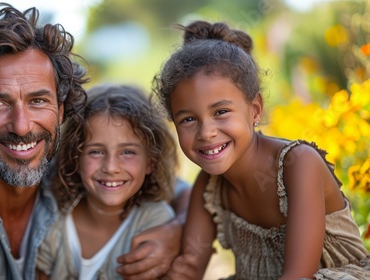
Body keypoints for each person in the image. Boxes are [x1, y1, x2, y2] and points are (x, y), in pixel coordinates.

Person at [0, 3, 183, 279]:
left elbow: (176, 187)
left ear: (61, 108)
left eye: (38, 100)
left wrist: (177, 229)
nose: (22, 126)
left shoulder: (63, 164)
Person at [153, 20, 370, 279]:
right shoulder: (209, 187)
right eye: (188, 119)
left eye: (221, 112)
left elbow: (298, 275)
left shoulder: (299, 164)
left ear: (255, 109)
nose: (206, 132)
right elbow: (189, 266)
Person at [36, 84, 179, 279]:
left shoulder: (154, 221)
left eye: (127, 152)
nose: (111, 167)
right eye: (96, 151)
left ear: (151, 162)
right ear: (75, 157)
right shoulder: (53, 215)